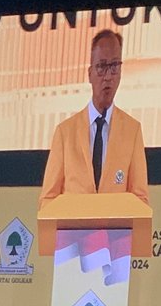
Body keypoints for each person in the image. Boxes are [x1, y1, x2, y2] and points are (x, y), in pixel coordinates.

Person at [39, 29, 149, 209]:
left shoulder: (132, 131)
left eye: (114, 66)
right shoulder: (65, 133)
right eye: (101, 66)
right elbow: (47, 201)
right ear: (89, 73)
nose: (108, 76)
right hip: (73, 227)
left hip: (115, 228)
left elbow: (141, 202)